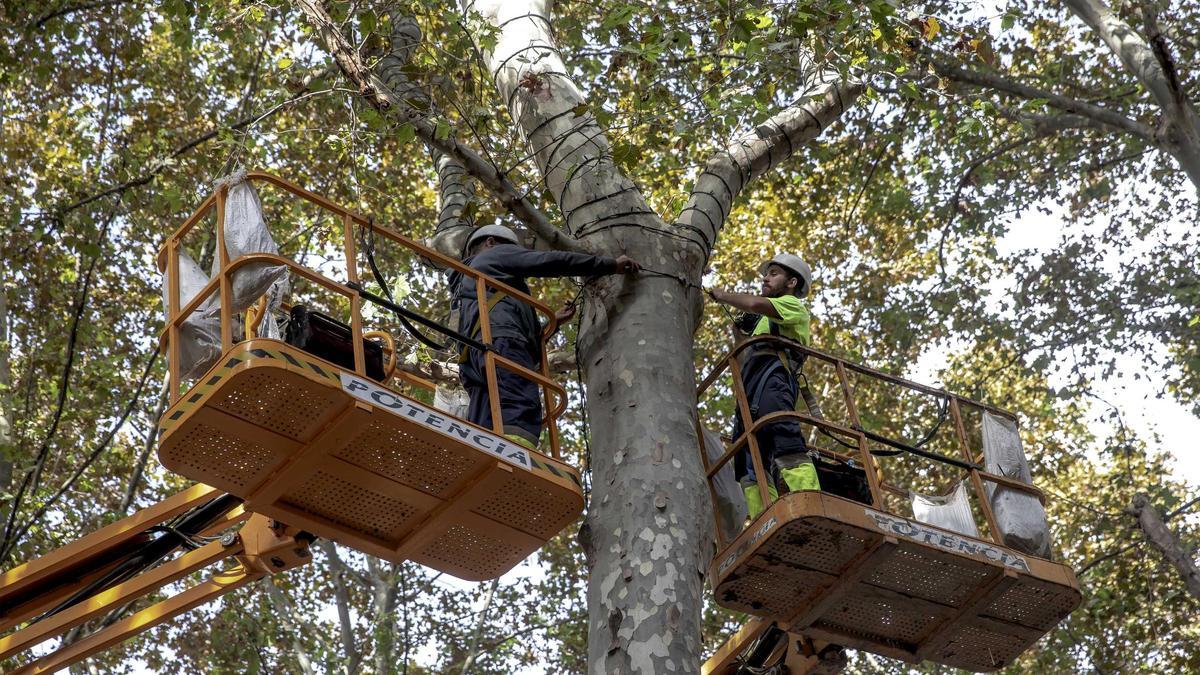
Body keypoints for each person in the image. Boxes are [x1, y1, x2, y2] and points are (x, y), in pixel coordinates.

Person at [450, 224, 640, 448]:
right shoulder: (493, 255)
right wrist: (609, 265)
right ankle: (517, 457)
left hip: (475, 357)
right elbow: (547, 261)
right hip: (502, 343)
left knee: (487, 410)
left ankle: (482, 456)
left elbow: (494, 324)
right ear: (490, 242)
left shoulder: (466, 287)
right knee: (517, 402)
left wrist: (552, 325)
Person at [706, 253, 816, 519]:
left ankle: (811, 504)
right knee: (746, 458)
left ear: (791, 282)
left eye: (774, 273)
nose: (766, 278)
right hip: (751, 388)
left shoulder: (793, 306)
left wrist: (722, 295)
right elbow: (743, 357)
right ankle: (765, 517)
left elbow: (755, 303)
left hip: (774, 379)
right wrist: (739, 331)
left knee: (783, 436)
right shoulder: (763, 323)